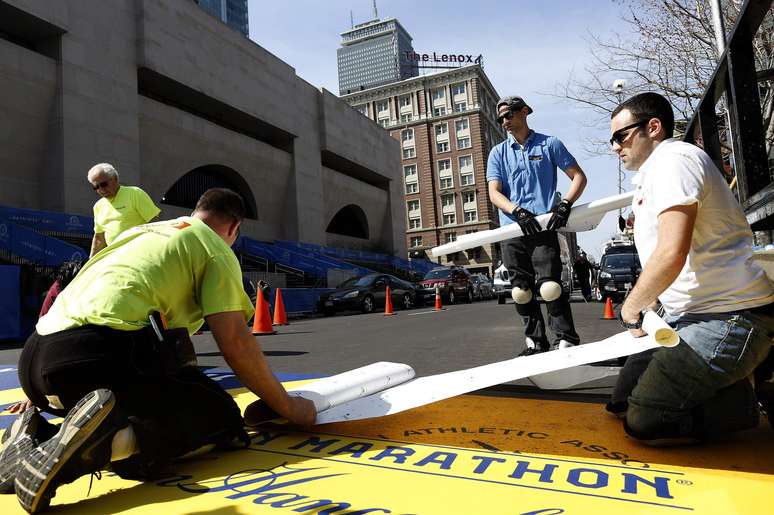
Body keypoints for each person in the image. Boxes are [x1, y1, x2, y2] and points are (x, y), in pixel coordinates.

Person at [0, 188, 316, 512]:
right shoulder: (212, 246)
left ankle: (37, 436)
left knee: (172, 387)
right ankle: (105, 446)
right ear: (234, 227)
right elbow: (235, 340)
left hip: (37, 361)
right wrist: (289, 407)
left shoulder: (140, 233)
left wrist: (44, 381)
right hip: (93, 355)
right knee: (218, 414)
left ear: (197, 210)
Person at [607, 92, 774, 445]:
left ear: (653, 127)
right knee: (620, 402)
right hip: (690, 317)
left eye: (620, 136)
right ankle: (723, 382)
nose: (615, 147)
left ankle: (750, 401)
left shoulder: (674, 162)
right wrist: (653, 301)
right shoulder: (656, 172)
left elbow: (671, 251)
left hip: (729, 318)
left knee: (644, 420)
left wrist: (633, 304)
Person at [487, 96, 588, 355]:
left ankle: (565, 338)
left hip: (542, 227)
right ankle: (535, 341)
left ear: (524, 112)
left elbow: (578, 176)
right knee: (521, 291)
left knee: (550, 287)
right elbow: (494, 193)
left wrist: (564, 204)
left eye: (509, 115)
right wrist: (517, 211)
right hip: (512, 229)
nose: (504, 122)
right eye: (500, 119)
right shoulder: (498, 153)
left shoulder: (549, 144)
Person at [88, 163, 160, 257]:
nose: (101, 189)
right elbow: (99, 238)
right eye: (96, 187)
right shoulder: (98, 206)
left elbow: (156, 224)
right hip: (115, 257)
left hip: (140, 254)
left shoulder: (135, 193)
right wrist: (90, 263)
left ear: (115, 179)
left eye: (103, 184)